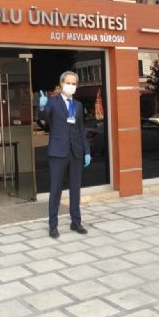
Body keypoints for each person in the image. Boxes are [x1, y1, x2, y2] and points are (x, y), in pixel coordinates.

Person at [38, 71, 91, 239]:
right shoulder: (53, 102)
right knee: (55, 190)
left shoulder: (78, 105)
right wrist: (42, 106)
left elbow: (81, 130)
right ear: (61, 84)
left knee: (75, 189)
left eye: (74, 84)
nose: (71, 86)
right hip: (58, 152)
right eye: (68, 83)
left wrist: (87, 151)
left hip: (76, 152)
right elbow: (43, 117)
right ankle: (53, 225)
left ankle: (76, 222)